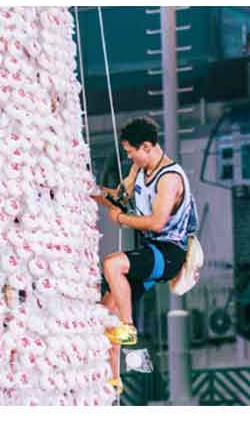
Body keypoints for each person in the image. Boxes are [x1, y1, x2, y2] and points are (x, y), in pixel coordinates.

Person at [91, 117, 198, 395]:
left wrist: (121, 219)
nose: (128, 156)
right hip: (151, 250)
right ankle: (113, 378)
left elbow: (157, 222)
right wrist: (94, 194)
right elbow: (120, 197)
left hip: (169, 253)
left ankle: (129, 327)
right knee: (106, 310)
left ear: (147, 146)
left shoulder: (170, 179)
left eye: (131, 151)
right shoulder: (139, 168)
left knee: (112, 265)